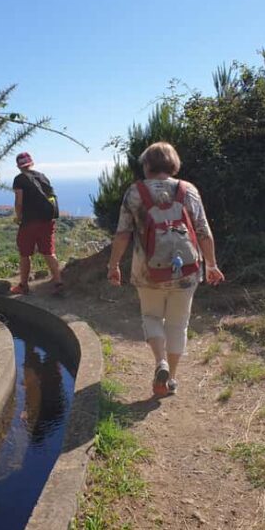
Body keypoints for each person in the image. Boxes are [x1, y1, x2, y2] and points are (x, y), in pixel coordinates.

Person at [107, 142, 224, 396]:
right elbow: (203, 231)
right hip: (186, 270)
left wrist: (114, 265)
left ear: (147, 164)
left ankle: (159, 361)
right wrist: (212, 264)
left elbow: (122, 234)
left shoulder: (135, 192)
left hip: (147, 270)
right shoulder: (188, 190)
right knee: (178, 325)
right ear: (173, 163)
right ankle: (169, 379)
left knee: (151, 317)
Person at [10, 152, 63, 295]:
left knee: (25, 253)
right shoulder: (42, 176)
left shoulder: (19, 179)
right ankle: (58, 283)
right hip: (47, 220)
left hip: (29, 222)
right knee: (49, 252)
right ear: (31, 163)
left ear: (18, 166)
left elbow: (19, 202)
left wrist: (18, 216)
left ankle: (23, 286)